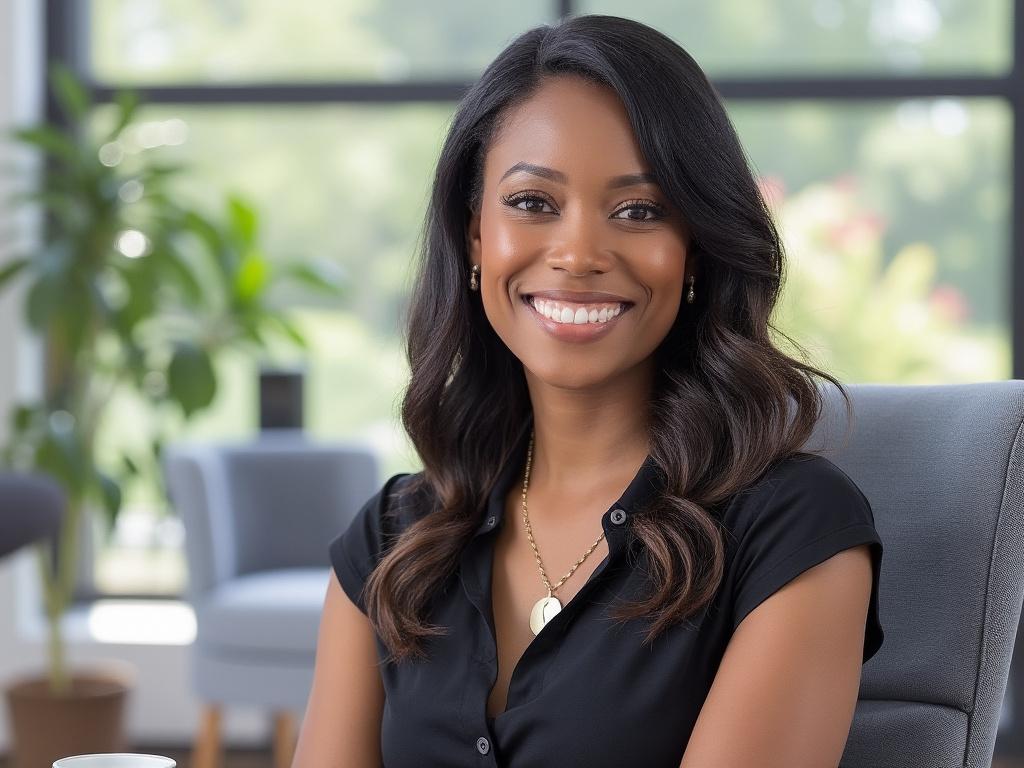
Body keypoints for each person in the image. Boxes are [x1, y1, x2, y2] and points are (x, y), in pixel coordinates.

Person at [292, 13, 883, 768]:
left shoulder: (794, 533)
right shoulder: (390, 542)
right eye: (533, 203)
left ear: (695, 249)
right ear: (476, 237)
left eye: (639, 211)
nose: (577, 255)